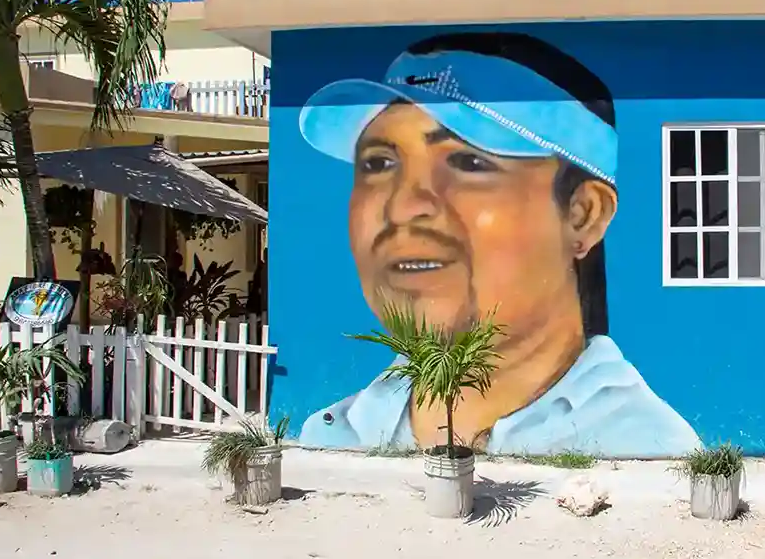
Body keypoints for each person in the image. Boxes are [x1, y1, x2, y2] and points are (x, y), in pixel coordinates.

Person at [295, 32, 700, 457]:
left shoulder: (648, 450)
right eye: (379, 163)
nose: (402, 206)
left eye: (469, 162)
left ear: (584, 214)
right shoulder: (333, 437)